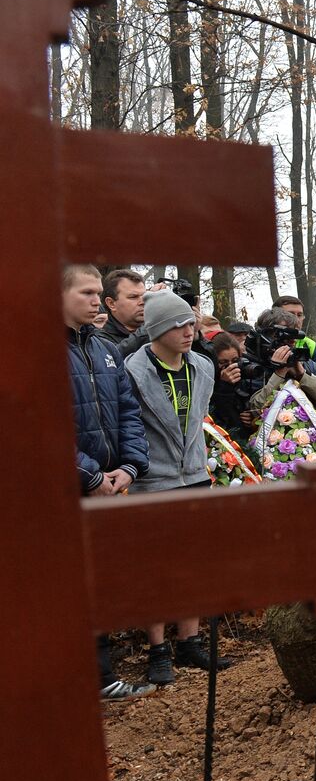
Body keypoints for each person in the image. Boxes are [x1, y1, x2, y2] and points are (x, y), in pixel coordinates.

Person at [124, 290, 229, 684]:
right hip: (154, 481)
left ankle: (190, 642)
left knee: (196, 564)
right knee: (154, 570)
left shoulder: (202, 366)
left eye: (190, 323)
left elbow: (200, 420)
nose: (190, 331)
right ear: (158, 329)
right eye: (179, 325)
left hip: (195, 476)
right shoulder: (133, 371)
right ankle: (157, 649)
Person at [64, 265, 154, 701]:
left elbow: (128, 411)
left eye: (100, 292)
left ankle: (101, 677)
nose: (98, 300)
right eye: (87, 292)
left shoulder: (104, 349)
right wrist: (90, 475)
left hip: (110, 486)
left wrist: (130, 467)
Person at [246, 308, 316, 414]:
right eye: (284, 335)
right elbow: (253, 410)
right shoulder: (250, 367)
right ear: (266, 336)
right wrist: (278, 375)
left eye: (294, 336)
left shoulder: (306, 365)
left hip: (307, 429)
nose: (292, 341)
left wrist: (302, 375)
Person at [210, 332, 258, 444]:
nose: (231, 366)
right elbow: (221, 417)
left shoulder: (244, 379)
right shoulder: (208, 384)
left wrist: (252, 417)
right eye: (223, 362)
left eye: (235, 361)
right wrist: (225, 386)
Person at [99, 268, 151, 357]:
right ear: (111, 303)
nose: (142, 302)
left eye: (145, 296)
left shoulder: (158, 333)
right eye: (133, 297)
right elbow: (115, 356)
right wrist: (151, 326)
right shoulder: (99, 340)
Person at [271, 295, 316, 372]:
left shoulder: (310, 345)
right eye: (290, 315)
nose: (296, 320)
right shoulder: (264, 342)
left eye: (299, 315)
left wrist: (303, 370)